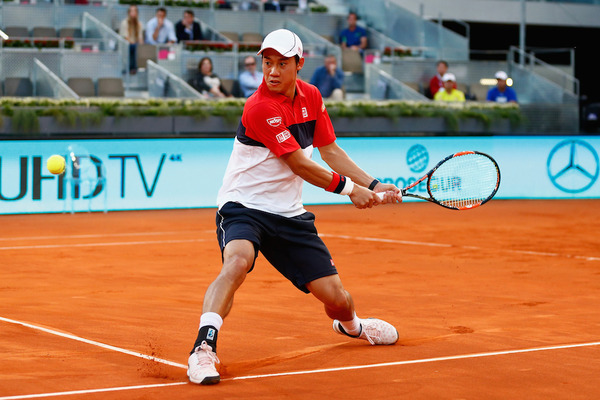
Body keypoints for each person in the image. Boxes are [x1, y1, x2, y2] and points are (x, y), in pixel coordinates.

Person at [186, 28, 401, 386]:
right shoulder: (259, 107)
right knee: (237, 262)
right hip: (244, 207)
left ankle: (354, 327)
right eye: (267, 62)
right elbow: (300, 165)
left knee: (338, 299)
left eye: (282, 63)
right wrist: (351, 190)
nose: (272, 71)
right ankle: (202, 349)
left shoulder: (312, 97)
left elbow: (330, 151)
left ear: (299, 64)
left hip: (289, 215)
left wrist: (373, 185)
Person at [119, 5, 144, 75]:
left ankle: (139, 68)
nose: (133, 13)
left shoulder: (139, 24)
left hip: (135, 45)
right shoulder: (125, 23)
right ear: (129, 13)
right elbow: (126, 38)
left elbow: (140, 38)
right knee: (134, 47)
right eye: (131, 11)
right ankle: (132, 68)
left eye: (135, 11)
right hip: (126, 45)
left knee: (140, 48)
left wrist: (142, 46)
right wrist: (135, 44)